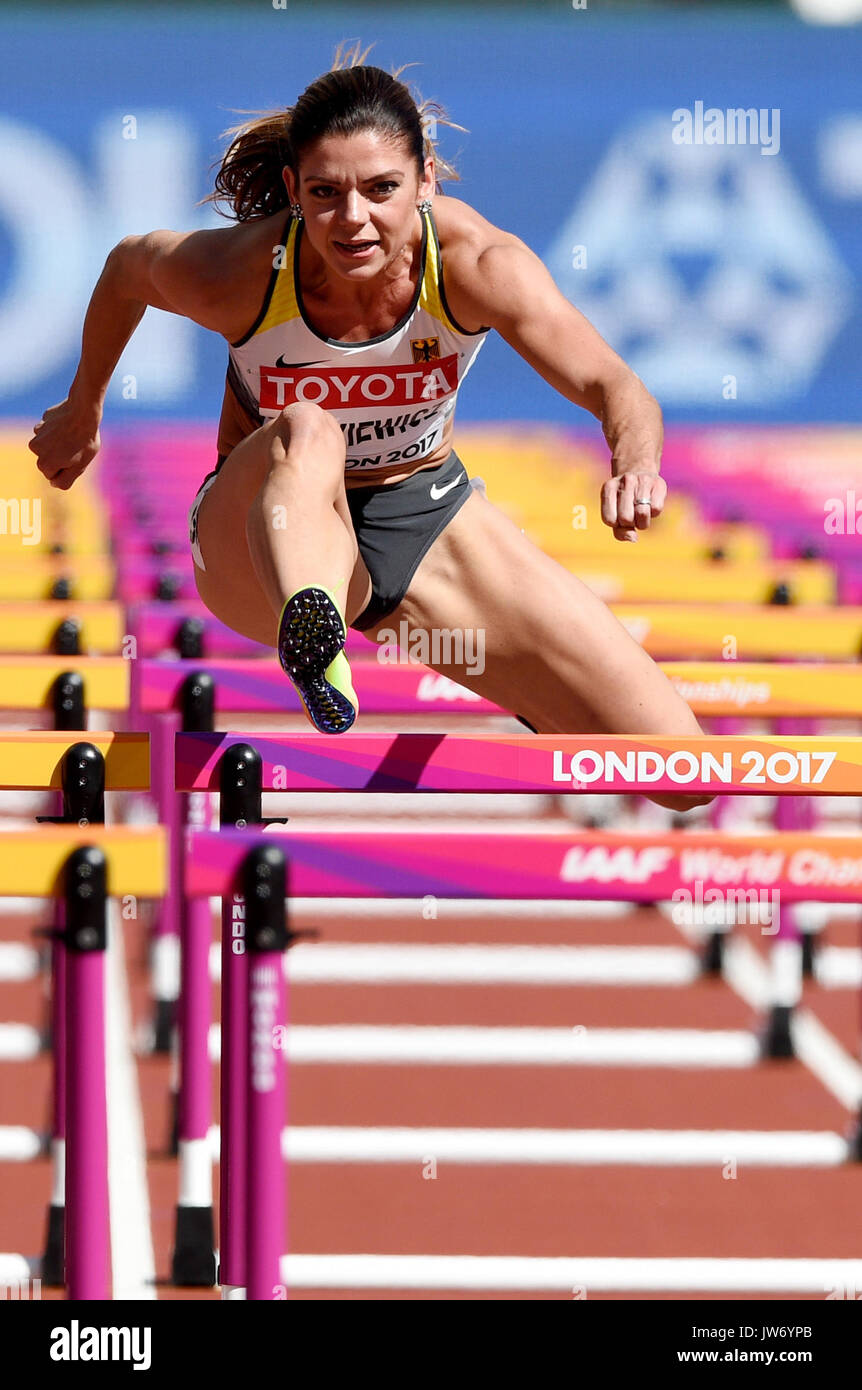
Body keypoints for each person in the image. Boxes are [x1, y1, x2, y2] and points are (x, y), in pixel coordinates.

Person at [29, 40, 711, 813]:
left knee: (681, 776)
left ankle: (504, 682)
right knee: (310, 428)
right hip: (261, 534)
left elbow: (616, 386)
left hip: (420, 519)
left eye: (380, 189)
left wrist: (635, 463)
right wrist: (83, 407)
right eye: (324, 194)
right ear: (292, 188)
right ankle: (313, 637)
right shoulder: (243, 272)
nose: (351, 221)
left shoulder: (477, 264)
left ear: (424, 182)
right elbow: (127, 268)